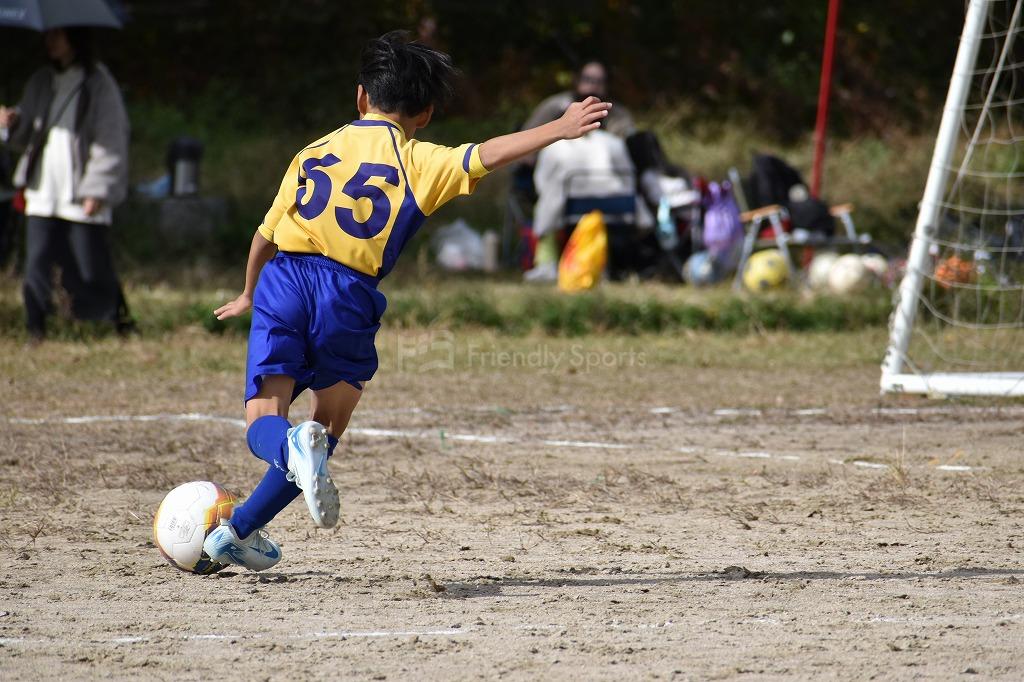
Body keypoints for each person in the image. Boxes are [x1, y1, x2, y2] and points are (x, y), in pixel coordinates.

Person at [204, 31, 611, 571]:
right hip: (348, 293)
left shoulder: (313, 151)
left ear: (360, 98)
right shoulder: (419, 160)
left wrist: (249, 291)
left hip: (284, 280)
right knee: (325, 430)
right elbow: (488, 154)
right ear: (425, 114)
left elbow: (265, 234)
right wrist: (558, 129)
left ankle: (235, 531)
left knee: (265, 418)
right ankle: (244, 523)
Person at [0, 28, 131, 341]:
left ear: (76, 38)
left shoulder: (98, 81)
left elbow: (111, 136)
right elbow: (26, 129)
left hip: (80, 190)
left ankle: (113, 322)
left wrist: (98, 187)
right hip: (42, 189)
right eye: (49, 36)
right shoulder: (41, 80)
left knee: (91, 263)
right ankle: (36, 327)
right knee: (37, 262)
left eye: (59, 35)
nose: (52, 42)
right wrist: (12, 121)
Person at [526, 127, 649, 282]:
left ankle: (547, 264)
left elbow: (542, 181)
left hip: (575, 208)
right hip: (618, 206)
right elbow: (629, 177)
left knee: (547, 208)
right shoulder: (614, 142)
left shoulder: (555, 145)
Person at [522, 60, 635, 139]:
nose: (593, 86)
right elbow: (528, 137)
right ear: (576, 80)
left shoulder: (617, 114)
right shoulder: (555, 106)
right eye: (587, 79)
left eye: (599, 82)